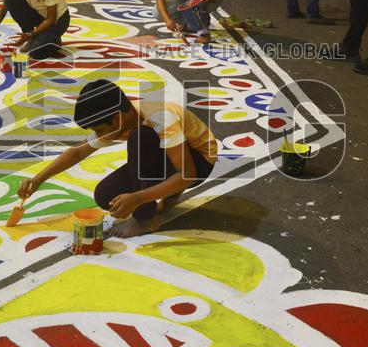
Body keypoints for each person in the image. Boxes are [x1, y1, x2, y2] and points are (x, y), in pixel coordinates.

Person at [17, 79, 218, 238]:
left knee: (140, 138)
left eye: (99, 130)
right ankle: (169, 195)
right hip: (169, 157)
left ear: (117, 118)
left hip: (199, 161)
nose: (98, 135)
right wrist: (38, 179)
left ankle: (146, 221)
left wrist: (138, 198)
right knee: (106, 195)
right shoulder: (120, 121)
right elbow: (77, 152)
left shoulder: (160, 118)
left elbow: (188, 175)